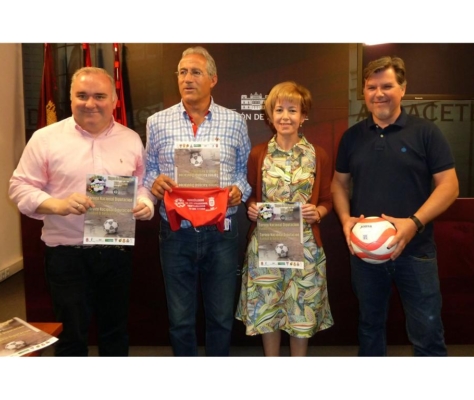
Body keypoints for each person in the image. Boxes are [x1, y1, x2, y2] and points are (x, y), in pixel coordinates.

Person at [9, 67, 155, 356]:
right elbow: (19, 187)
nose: (91, 103)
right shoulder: (45, 138)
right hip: (67, 254)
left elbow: (142, 184)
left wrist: (146, 203)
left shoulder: (130, 139)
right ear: (71, 98)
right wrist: (58, 205)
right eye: (82, 96)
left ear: (114, 99)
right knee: (72, 335)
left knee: (115, 330)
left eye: (100, 96)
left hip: (116, 251)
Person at [331, 56, 459, 356]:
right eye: (371, 87)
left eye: (387, 85)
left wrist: (413, 223)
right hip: (366, 254)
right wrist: (346, 219)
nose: (379, 93)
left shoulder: (426, 132)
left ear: (402, 88)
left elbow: (450, 185)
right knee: (370, 326)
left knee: (427, 331)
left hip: (416, 251)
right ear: (364, 92)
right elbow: (338, 183)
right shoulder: (352, 137)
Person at [144, 46, 251, 356]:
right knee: (179, 319)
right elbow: (149, 169)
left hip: (222, 232)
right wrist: (155, 182)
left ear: (213, 79)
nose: (187, 79)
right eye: (182, 72)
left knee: (220, 317)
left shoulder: (234, 122)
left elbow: (244, 171)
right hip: (176, 232)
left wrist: (238, 190)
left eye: (195, 72)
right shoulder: (157, 122)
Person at [235, 81, 334, 356]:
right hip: (266, 245)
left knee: (300, 311)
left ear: (304, 116)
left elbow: (327, 200)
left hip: (305, 247)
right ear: (270, 115)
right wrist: (252, 207)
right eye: (279, 109)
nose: (285, 116)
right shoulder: (259, 154)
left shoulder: (318, 155)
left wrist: (320, 212)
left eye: (293, 110)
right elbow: (253, 196)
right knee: (268, 309)